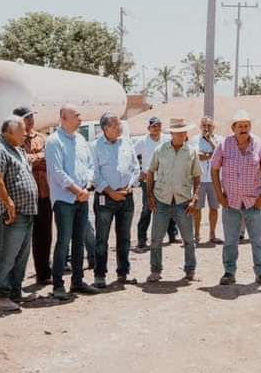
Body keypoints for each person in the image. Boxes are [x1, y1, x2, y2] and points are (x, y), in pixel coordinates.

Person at [211, 110, 261, 286]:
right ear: (233, 128)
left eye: (246, 125)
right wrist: (219, 194)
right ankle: (229, 273)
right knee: (230, 241)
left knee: (257, 240)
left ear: (250, 127)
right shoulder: (224, 145)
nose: (243, 129)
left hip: (254, 203)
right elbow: (214, 169)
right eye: (240, 126)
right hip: (230, 203)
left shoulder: (259, 145)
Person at [46, 104, 100, 300]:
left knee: (79, 241)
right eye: (76, 115)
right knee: (64, 242)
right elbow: (57, 172)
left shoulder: (81, 140)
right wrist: (78, 191)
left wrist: (87, 186)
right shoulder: (54, 141)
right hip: (64, 200)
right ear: (64, 118)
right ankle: (58, 285)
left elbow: (90, 166)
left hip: (82, 198)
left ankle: (77, 281)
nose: (80, 118)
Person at [0, 117, 40, 312]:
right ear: (8, 132)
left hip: (26, 212)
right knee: (6, 256)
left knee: (21, 255)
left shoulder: (17, 149)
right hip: (12, 213)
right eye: (21, 131)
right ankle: (0, 295)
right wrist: (8, 202)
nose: (25, 134)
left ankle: (15, 291)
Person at [145, 118, 201, 282]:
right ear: (172, 134)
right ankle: (156, 270)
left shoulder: (191, 152)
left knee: (189, 239)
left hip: (183, 202)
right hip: (162, 200)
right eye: (179, 132)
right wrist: (149, 196)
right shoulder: (160, 150)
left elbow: (197, 176)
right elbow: (150, 173)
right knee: (156, 238)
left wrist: (194, 199)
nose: (183, 134)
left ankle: (190, 270)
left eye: (184, 132)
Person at [92, 112, 140, 288]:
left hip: (126, 198)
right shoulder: (96, 146)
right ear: (106, 128)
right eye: (115, 125)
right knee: (102, 239)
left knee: (124, 238)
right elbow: (94, 174)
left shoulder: (126, 142)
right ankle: (99, 275)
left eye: (119, 124)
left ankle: (123, 272)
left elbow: (136, 168)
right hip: (106, 199)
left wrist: (130, 186)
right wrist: (111, 192)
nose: (120, 127)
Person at [16, 106, 52, 285]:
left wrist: (34, 158)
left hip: (44, 192)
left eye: (31, 117)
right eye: (26, 117)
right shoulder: (16, 140)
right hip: (25, 195)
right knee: (21, 238)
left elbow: (48, 159)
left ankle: (44, 273)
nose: (30, 120)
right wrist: (37, 159)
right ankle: (15, 280)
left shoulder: (41, 138)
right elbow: (23, 161)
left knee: (44, 235)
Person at [134, 117, 177, 249]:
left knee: (169, 205)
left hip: (165, 178)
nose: (156, 128)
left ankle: (172, 235)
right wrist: (139, 172)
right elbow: (131, 156)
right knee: (148, 208)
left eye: (158, 125)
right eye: (154, 126)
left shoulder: (166, 139)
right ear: (148, 128)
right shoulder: (142, 141)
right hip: (148, 179)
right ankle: (142, 239)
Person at [190, 116, 224, 244]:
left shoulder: (219, 139)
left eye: (209, 126)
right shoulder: (195, 140)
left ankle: (212, 234)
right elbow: (197, 156)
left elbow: (221, 155)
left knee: (214, 208)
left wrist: (210, 142)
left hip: (214, 180)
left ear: (213, 127)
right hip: (199, 179)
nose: (206, 128)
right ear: (200, 127)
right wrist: (212, 155)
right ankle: (197, 235)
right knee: (197, 208)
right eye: (204, 125)